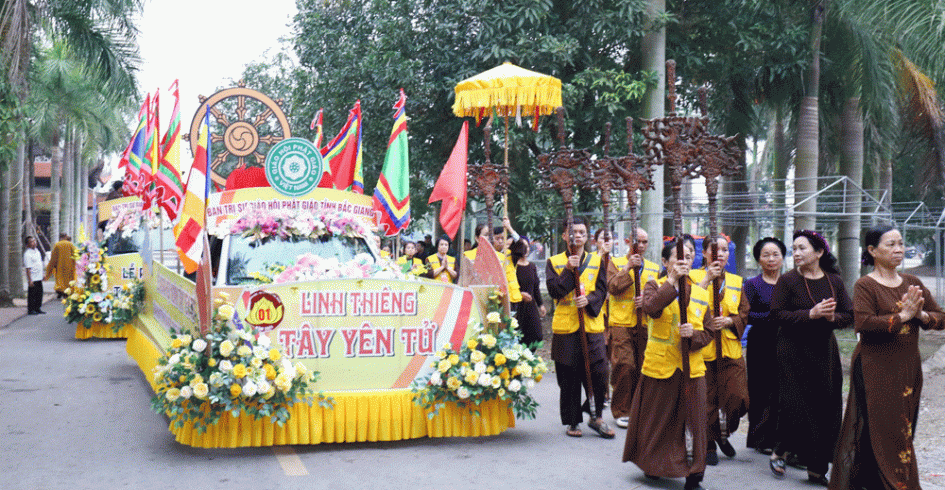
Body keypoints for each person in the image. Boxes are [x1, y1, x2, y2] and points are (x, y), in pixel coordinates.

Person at [830, 226, 945, 489]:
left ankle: (875, 482)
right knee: (885, 431)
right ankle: (898, 485)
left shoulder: (912, 283)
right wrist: (902, 317)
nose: (899, 250)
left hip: (907, 369)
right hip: (874, 369)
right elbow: (864, 324)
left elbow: (940, 317)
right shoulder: (865, 285)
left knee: (902, 429)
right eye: (891, 244)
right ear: (872, 251)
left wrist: (922, 316)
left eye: (901, 244)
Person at [623, 238, 712, 490]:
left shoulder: (701, 293)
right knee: (658, 420)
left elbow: (708, 332)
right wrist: (672, 281)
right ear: (665, 261)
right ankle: (653, 463)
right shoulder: (653, 286)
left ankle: (695, 475)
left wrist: (692, 335)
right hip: (660, 365)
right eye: (678, 256)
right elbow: (651, 308)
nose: (685, 260)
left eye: (690, 255)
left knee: (696, 422)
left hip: (692, 368)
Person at [768, 230, 852, 486]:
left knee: (825, 408)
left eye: (801, 248)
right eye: (794, 249)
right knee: (794, 404)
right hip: (792, 351)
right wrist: (810, 314)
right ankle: (781, 450)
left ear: (819, 252)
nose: (795, 253)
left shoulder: (834, 281)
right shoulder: (787, 280)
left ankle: (817, 469)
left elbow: (849, 315)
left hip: (823, 352)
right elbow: (776, 315)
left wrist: (831, 318)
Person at [546, 216, 613, 439]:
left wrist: (590, 300)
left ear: (588, 237)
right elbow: (555, 290)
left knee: (600, 371)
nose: (577, 235)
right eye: (573, 232)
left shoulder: (597, 260)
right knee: (568, 375)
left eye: (582, 232)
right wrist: (567, 269)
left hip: (591, 325)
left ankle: (596, 415)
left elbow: (602, 290)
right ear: (565, 235)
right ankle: (573, 419)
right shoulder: (554, 261)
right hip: (566, 326)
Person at [689, 234, 749, 465]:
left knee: (738, 398)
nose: (721, 254)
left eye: (725, 250)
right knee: (707, 400)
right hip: (703, 351)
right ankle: (710, 442)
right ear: (704, 253)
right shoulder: (692, 277)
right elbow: (687, 307)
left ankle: (724, 433)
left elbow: (743, 311)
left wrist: (730, 322)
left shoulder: (736, 281)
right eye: (715, 250)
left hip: (729, 349)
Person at [606, 228, 660, 429]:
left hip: (644, 323)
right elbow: (612, 287)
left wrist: (646, 302)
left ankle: (639, 409)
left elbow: (658, 294)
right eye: (639, 241)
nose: (642, 246)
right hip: (621, 322)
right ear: (629, 241)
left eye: (646, 242)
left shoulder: (653, 268)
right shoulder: (617, 263)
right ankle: (622, 409)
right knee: (625, 365)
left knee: (642, 366)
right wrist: (628, 267)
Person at [744, 236, 786, 454]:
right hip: (760, 342)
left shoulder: (789, 282)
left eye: (775, 254)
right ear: (758, 259)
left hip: (786, 343)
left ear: (783, 257)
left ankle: (780, 437)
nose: (771, 259)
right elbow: (747, 315)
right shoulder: (752, 284)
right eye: (766, 255)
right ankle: (760, 438)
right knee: (760, 389)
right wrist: (773, 316)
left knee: (782, 390)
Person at [463, 223, 523, 306]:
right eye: (486, 235)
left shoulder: (502, 257)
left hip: (497, 301)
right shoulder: (467, 256)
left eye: (491, 235)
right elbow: (464, 281)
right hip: (474, 300)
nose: (489, 238)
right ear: (477, 238)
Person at [510, 238, 544, 346]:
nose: (526, 249)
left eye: (528, 246)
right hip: (517, 306)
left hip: (531, 306)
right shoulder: (512, 266)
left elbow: (536, 287)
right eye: (523, 247)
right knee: (519, 336)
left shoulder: (532, 266)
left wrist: (541, 305)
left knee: (537, 335)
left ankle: (528, 356)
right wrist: (519, 295)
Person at [45, 233, 76, 299]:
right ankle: (67, 293)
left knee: (60, 280)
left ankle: (60, 291)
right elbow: (75, 255)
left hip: (60, 267)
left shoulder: (57, 245)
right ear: (65, 237)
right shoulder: (70, 244)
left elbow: (53, 258)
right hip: (69, 267)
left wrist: (49, 271)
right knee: (68, 280)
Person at [23, 236, 45, 315]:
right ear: (27, 245)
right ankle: (31, 310)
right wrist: (30, 280)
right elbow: (28, 268)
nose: (34, 243)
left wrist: (43, 274)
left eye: (34, 241)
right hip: (33, 278)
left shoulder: (37, 251)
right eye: (31, 242)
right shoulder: (27, 254)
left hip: (39, 277)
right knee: (32, 295)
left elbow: (39, 264)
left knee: (39, 294)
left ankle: (37, 308)